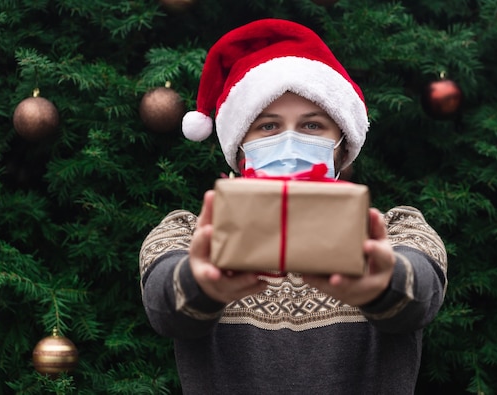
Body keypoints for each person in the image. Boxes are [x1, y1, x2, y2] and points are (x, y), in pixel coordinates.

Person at [139, 18, 447, 394]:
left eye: (313, 126)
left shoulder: (397, 229)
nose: (289, 141)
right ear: (239, 147)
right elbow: (164, 303)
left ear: (342, 145)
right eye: (268, 126)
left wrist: (382, 282)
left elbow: (421, 293)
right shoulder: (189, 233)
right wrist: (201, 282)